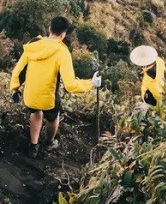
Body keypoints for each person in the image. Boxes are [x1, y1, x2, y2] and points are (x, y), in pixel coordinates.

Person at [10, 16, 102, 158]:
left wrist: (15, 88)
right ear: (63, 34)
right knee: (53, 117)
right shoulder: (62, 52)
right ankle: (49, 142)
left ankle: (33, 146)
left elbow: (18, 70)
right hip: (48, 97)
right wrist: (91, 84)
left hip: (30, 93)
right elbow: (70, 85)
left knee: (35, 112)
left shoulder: (33, 44)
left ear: (49, 28)